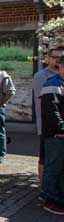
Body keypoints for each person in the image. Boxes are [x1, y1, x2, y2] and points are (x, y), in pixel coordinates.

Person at [33, 47, 63, 181]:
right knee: (46, 158)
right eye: (55, 57)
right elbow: (44, 103)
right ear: (48, 59)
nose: (58, 60)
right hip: (48, 124)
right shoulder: (42, 76)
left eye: (61, 57)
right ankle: (44, 188)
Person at [40, 55, 64, 215]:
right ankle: (51, 200)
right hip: (56, 135)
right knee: (54, 167)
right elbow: (51, 112)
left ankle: (59, 198)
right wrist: (61, 130)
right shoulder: (53, 84)